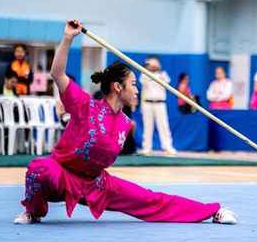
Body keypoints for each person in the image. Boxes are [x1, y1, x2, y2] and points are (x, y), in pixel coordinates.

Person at [14, 19, 236, 225]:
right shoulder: (85, 105)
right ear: (118, 87)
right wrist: (68, 38)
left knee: (151, 199)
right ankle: (34, 212)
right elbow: (57, 73)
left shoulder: (125, 124)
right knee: (40, 168)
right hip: (62, 177)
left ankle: (211, 212)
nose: (137, 89)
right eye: (133, 84)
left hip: (96, 185)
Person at [139, 56, 176, 156]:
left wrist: (159, 72)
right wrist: (147, 70)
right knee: (147, 126)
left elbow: (167, 82)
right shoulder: (145, 75)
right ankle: (147, 148)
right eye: (151, 64)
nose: (153, 66)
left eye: (155, 64)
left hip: (160, 103)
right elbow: (143, 82)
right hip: (147, 103)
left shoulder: (163, 74)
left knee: (163, 126)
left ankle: (168, 147)